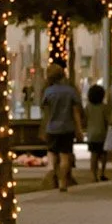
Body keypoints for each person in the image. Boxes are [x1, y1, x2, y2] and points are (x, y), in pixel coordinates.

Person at [39, 60, 84, 191]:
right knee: (65, 156)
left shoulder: (48, 92)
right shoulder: (70, 91)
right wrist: (79, 130)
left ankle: (52, 172)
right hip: (67, 127)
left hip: (52, 128)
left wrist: (43, 129)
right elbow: (76, 113)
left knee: (52, 153)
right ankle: (63, 182)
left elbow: (46, 113)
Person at [85, 82, 112, 182]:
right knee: (103, 155)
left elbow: (85, 118)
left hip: (91, 134)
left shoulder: (88, 107)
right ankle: (102, 173)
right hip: (102, 134)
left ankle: (93, 174)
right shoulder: (104, 107)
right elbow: (107, 120)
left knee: (94, 155)